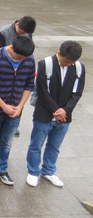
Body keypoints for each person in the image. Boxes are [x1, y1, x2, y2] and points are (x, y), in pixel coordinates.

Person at [26, 41, 85, 187]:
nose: (68, 64)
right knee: (36, 145)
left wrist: (65, 110)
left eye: (71, 62)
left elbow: (77, 92)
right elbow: (42, 91)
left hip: (64, 117)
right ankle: (33, 171)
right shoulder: (45, 64)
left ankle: (48, 171)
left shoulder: (79, 67)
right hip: (44, 114)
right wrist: (56, 110)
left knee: (54, 146)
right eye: (66, 61)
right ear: (59, 54)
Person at [0, 35, 36, 186]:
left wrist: (20, 107)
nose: (22, 60)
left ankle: (1, 168)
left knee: (7, 142)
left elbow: (29, 85)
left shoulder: (29, 59)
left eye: (24, 58)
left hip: (15, 111)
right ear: (12, 48)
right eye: (19, 57)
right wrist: (3, 105)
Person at [0, 16, 37, 137]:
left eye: (26, 34)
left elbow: (28, 50)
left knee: (18, 97)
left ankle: (13, 124)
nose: (24, 35)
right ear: (17, 24)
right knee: (3, 96)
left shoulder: (27, 32)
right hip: (6, 69)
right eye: (21, 33)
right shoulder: (3, 32)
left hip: (20, 70)